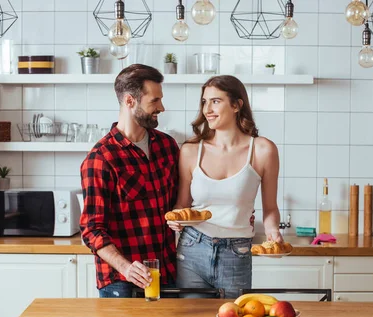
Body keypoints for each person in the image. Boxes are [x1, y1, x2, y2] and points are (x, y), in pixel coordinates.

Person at [168, 75, 283, 301]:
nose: (207, 109)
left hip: (237, 253)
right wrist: (175, 218)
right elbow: (182, 205)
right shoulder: (191, 150)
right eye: (204, 102)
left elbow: (269, 208)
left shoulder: (263, 150)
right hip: (192, 248)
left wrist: (273, 232)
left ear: (237, 105)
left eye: (215, 101)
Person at [80, 64, 179, 298]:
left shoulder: (167, 146)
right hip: (121, 282)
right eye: (154, 101)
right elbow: (91, 229)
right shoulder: (101, 158)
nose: (161, 108)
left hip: (167, 272)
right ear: (130, 101)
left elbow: (179, 203)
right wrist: (125, 267)